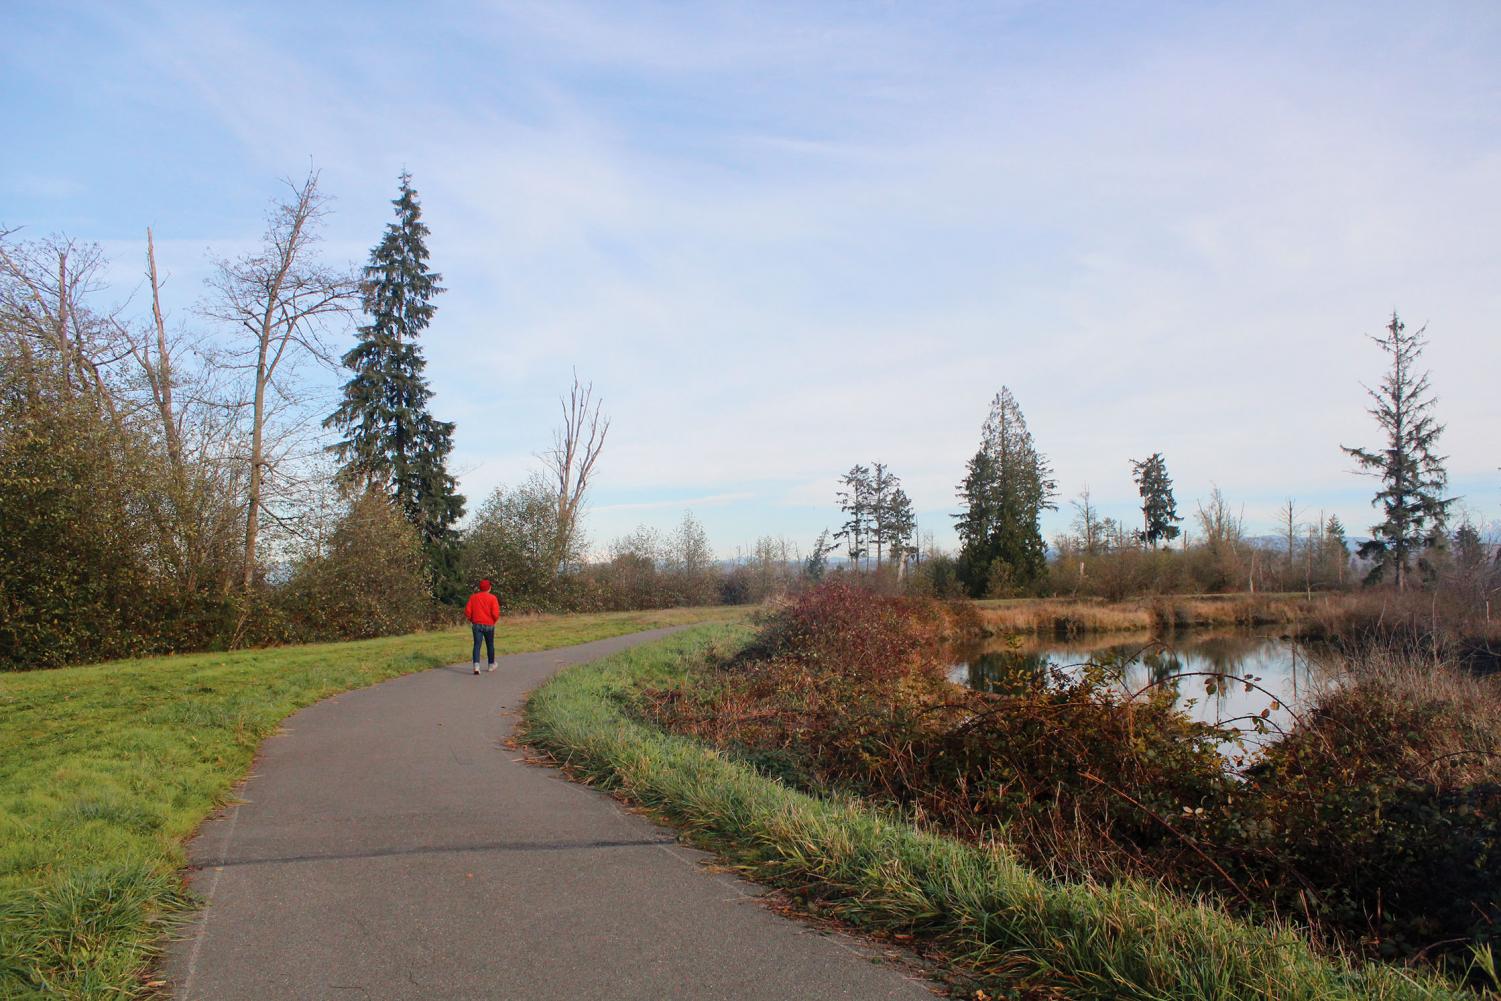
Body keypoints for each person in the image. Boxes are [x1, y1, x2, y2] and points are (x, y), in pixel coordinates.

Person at [464, 579, 500, 675]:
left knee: (477, 645)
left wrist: (472, 620)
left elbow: (467, 612)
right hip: (489, 625)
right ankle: (491, 665)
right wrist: (493, 621)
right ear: (489, 588)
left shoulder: (473, 597)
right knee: (490, 645)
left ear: (480, 588)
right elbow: (495, 613)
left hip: (476, 624)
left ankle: (476, 666)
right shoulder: (493, 598)